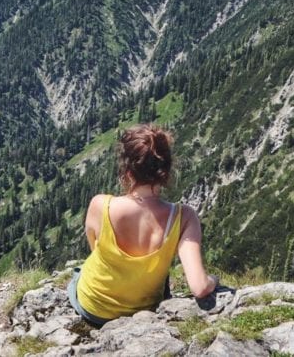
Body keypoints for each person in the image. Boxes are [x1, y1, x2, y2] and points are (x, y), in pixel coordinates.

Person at [67, 124, 219, 326]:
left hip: (93, 307)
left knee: (80, 272)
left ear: (127, 171)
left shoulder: (101, 205)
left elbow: (95, 249)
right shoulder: (184, 217)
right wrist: (214, 280)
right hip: (143, 312)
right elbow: (200, 287)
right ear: (166, 170)